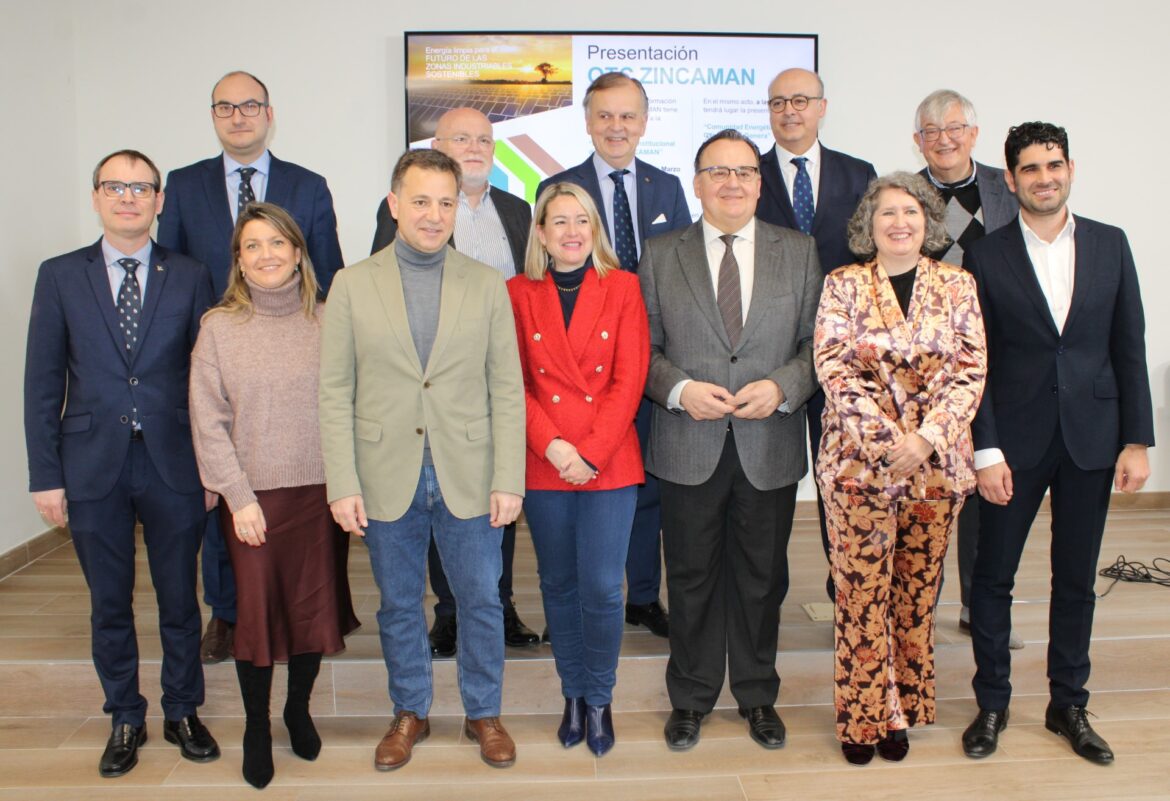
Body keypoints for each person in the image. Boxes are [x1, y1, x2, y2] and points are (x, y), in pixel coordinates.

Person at [319, 149, 526, 771]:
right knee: (399, 603)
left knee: (481, 600)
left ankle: (483, 712)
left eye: (445, 202)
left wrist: (509, 479)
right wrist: (342, 483)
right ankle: (410, 709)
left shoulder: (485, 284)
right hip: (386, 474)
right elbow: (334, 391)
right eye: (420, 201)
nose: (434, 215)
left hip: (470, 472)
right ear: (394, 205)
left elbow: (506, 388)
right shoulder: (352, 284)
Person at [962, 122, 1154, 765]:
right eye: (1031, 168)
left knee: (1076, 579)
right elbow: (977, 363)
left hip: (1092, 439)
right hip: (1012, 445)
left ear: (1070, 169)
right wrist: (985, 449)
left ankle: (1067, 703)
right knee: (993, 577)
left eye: (1054, 165)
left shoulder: (1110, 243)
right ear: (1010, 179)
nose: (1044, 178)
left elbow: (1129, 345)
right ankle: (992, 703)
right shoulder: (985, 256)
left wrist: (1137, 440)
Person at [24, 149, 219, 777]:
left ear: (160, 201)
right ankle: (125, 716)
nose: (128, 198)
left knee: (179, 599)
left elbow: (208, 380)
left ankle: (183, 710)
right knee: (109, 603)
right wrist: (45, 475)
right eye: (115, 186)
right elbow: (41, 382)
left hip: (175, 463)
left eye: (141, 188)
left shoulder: (189, 274)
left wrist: (214, 469)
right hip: (90, 465)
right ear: (96, 197)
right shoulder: (60, 275)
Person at [640, 129, 821, 751]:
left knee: (762, 579)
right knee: (690, 578)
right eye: (718, 172)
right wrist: (678, 389)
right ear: (697, 184)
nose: (732, 183)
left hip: (768, 442)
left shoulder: (798, 251)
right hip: (688, 442)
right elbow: (644, 349)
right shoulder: (660, 254)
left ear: (759, 183)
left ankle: (757, 694)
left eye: (743, 171)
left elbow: (817, 344)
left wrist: (784, 386)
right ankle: (690, 697)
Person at [157, 69, 345, 664]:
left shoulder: (308, 185)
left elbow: (330, 274)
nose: (238, 116)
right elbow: (171, 279)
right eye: (225, 107)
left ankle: (312, 613)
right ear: (213, 116)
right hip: (218, 355)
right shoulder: (184, 185)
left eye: (249, 105)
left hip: (291, 345)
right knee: (224, 494)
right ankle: (227, 611)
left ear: (269, 113)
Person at [814, 172, 987, 765]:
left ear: (928, 222)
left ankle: (902, 708)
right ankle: (865, 717)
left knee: (914, 597)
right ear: (869, 224)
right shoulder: (842, 284)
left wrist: (926, 440)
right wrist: (893, 444)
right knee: (861, 596)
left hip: (936, 470)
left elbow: (971, 372)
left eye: (911, 212)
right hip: (858, 467)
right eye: (887, 212)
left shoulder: (958, 284)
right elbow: (834, 369)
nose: (899, 222)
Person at [188, 203, 360, 788]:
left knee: (313, 610)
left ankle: (297, 709)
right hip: (253, 502)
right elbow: (207, 421)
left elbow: (353, 405)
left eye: (277, 243)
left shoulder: (330, 320)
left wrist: (348, 484)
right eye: (253, 245)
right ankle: (257, 725)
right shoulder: (219, 328)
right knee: (257, 618)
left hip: (321, 495)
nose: (267, 255)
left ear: (298, 252)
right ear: (239, 260)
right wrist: (238, 497)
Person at [370, 107, 538, 655]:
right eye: (460, 138)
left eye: (484, 139)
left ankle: (500, 605)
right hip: (436, 387)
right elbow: (384, 294)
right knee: (440, 499)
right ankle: (448, 612)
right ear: (436, 147)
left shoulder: (516, 209)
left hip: (501, 372)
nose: (474, 147)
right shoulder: (409, 211)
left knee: (494, 499)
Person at [538, 72, 692, 639]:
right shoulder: (558, 187)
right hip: (577, 366)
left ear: (645, 123)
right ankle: (577, 598)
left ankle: (643, 597)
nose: (616, 126)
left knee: (643, 486)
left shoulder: (667, 186)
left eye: (628, 116)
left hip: (646, 361)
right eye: (605, 115)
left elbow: (680, 271)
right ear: (587, 122)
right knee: (574, 488)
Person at [507, 183, 649, 756]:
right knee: (558, 584)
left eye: (582, 220)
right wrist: (555, 447)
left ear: (595, 229)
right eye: (559, 222)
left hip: (607, 461)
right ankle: (572, 693)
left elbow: (629, 378)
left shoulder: (623, 287)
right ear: (541, 234)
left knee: (602, 588)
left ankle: (600, 696)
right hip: (546, 462)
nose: (572, 232)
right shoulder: (518, 293)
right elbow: (513, 383)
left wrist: (588, 452)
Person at [756, 67, 877, 601]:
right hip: (772, 356)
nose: (790, 111)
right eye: (779, 102)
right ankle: (766, 593)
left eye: (800, 100)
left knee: (842, 477)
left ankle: (845, 585)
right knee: (771, 482)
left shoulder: (859, 173)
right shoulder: (749, 174)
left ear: (822, 108)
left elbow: (871, 257)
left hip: (845, 357)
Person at [912, 89, 1022, 648]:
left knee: (986, 478)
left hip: (994, 355)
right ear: (918, 141)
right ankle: (915, 615)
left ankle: (980, 609)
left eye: (955, 128)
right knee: (924, 490)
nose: (945, 139)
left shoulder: (1008, 189)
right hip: (924, 364)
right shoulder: (904, 194)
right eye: (932, 131)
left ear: (974, 134)